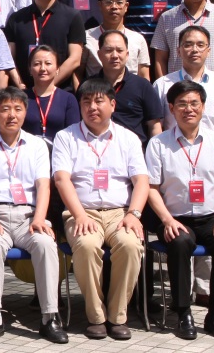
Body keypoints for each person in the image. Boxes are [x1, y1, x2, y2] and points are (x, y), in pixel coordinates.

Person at [0, 88, 67, 344]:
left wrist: (39, 218)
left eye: (17, 109)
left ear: (25, 112)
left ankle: (49, 317)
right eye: (5, 109)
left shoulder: (37, 145)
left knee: (46, 243)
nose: (11, 115)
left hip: (28, 216)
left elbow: (44, 186)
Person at [144, 80, 214, 341]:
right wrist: (166, 220)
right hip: (174, 218)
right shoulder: (159, 143)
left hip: (210, 217)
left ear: (203, 107)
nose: (189, 109)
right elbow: (151, 188)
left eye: (194, 103)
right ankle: (183, 312)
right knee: (180, 242)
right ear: (172, 108)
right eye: (182, 104)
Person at [53, 78, 149, 341]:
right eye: (86, 101)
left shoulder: (128, 138)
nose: (92, 107)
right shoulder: (66, 137)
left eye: (99, 101)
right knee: (86, 245)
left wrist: (134, 214)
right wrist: (79, 215)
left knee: (130, 245)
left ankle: (117, 316)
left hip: (121, 212)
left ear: (112, 105)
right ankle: (95, 317)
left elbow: (141, 181)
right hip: (81, 211)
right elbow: (61, 179)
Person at [152, 26, 214, 159]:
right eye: (188, 45)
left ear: (208, 51)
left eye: (200, 45)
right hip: (174, 159)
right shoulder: (163, 84)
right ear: (178, 51)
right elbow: (156, 126)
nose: (195, 49)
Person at [4, 0, 85, 89]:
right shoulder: (16, 19)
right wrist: (20, 84)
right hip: (24, 93)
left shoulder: (72, 16)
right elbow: (8, 58)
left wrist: (49, 85)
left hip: (59, 91)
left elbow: (75, 59)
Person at [88, 30, 164, 146]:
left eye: (120, 50)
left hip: (134, 152)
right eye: (109, 50)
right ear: (99, 54)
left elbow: (155, 127)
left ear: (127, 54)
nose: (115, 55)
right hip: (96, 150)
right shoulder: (89, 86)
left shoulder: (143, 86)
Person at [81, 0, 151, 80]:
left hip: (130, 88)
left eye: (119, 2)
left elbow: (144, 76)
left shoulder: (138, 39)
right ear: (100, 5)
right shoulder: (86, 37)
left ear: (126, 6)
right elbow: (78, 73)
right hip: (96, 88)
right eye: (109, 2)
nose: (114, 7)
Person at [22, 46, 81, 140]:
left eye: (48, 63)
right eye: (37, 64)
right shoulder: (21, 97)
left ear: (57, 68)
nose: (42, 68)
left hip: (60, 148)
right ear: (30, 69)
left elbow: (74, 134)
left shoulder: (68, 99)